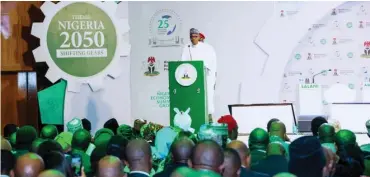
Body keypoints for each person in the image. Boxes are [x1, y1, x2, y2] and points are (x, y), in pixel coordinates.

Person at [181, 28, 217, 121]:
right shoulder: (187, 48)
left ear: (199, 37)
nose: (194, 39)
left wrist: (201, 67)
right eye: (191, 37)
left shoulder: (208, 48)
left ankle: (209, 118)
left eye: (196, 37)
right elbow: (183, 63)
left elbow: (210, 64)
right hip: (191, 78)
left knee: (207, 98)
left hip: (206, 78)